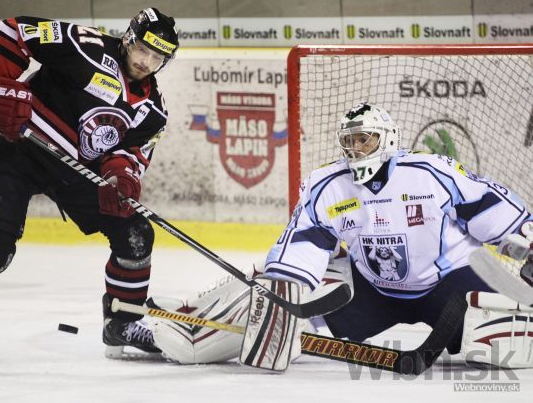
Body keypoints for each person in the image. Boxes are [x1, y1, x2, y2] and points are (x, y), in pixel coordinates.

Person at [148, 102, 533, 369]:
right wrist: (285, 290)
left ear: (389, 139)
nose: (355, 148)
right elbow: (306, 240)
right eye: (349, 141)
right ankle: (192, 325)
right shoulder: (329, 185)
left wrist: (527, 245)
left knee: (507, 346)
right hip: (372, 289)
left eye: (364, 139)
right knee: (277, 305)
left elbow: (486, 206)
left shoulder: (431, 173)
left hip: (448, 283)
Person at [0, 7, 180, 364]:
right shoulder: (85, 47)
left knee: (135, 230)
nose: (147, 61)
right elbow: (12, 31)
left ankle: (123, 322)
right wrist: (8, 88)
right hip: (16, 149)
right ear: (129, 39)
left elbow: (131, 153)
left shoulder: (153, 110)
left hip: (71, 168)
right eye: (143, 50)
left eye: (157, 57)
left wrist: (121, 176)